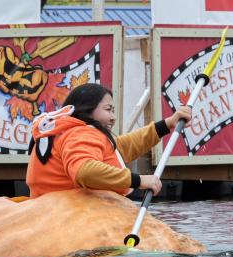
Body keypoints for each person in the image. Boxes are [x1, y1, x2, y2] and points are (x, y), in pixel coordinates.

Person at [24, 83, 192, 198]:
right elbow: (85, 171)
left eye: (113, 111)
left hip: (49, 207)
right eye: (108, 110)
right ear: (87, 110)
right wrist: (138, 180)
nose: (113, 117)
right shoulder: (80, 134)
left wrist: (167, 124)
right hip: (68, 213)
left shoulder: (67, 131)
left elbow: (122, 147)